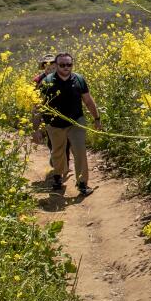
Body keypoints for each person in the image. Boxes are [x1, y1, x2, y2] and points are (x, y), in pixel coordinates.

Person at [36, 52, 102, 196]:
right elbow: (38, 106)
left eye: (69, 64)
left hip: (76, 122)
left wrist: (97, 118)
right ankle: (58, 177)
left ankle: (82, 184)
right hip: (54, 124)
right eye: (62, 65)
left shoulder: (79, 79)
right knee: (58, 151)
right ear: (57, 65)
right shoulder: (47, 82)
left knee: (80, 151)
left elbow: (88, 101)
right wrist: (36, 129)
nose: (66, 67)